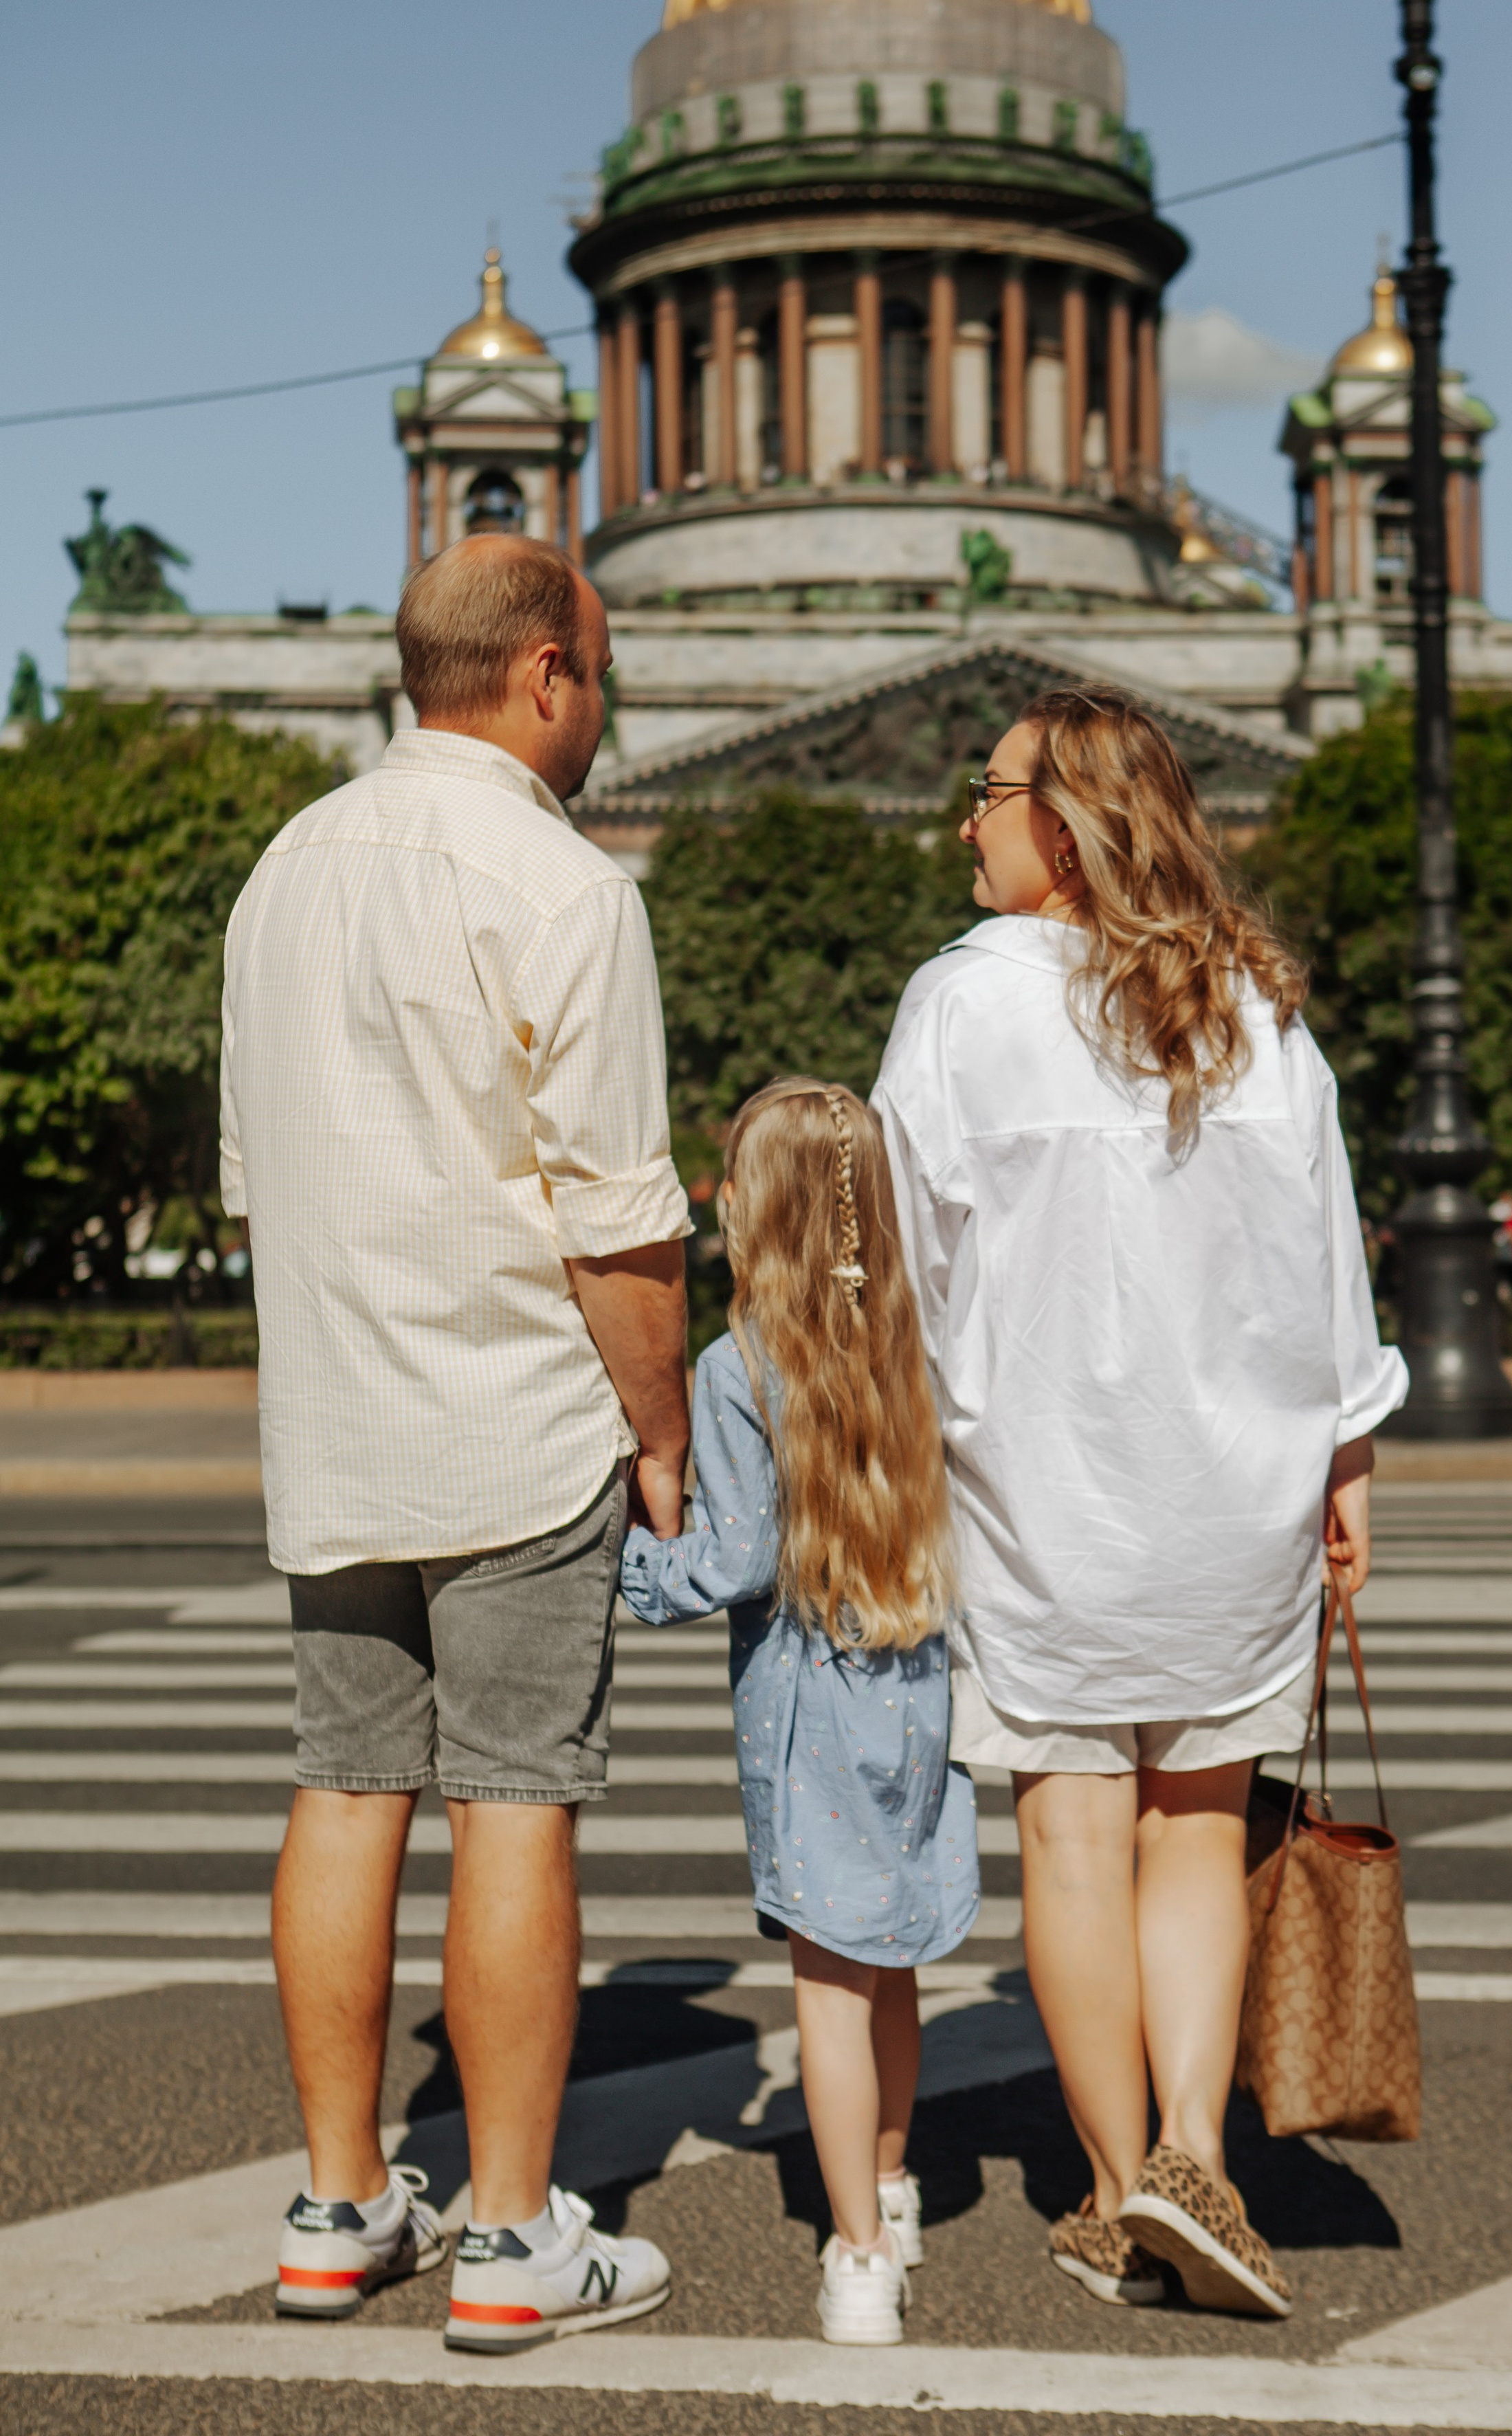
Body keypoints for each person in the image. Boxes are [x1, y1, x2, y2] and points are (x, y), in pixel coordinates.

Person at [871, 681, 1407, 2321]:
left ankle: (1116, 2197)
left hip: (1037, 1491)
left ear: (1066, 823)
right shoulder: (1252, 1006)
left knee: (1072, 1833)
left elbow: (897, 1263)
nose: (964, 823)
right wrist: (1345, 1461)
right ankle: (1193, 2150)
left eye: (989, 794)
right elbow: (1326, 1261)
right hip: (1234, 1492)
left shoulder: (961, 1004)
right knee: (1197, 1827)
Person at [220, 535, 691, 2351]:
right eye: (601, 668)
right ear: (546, 672)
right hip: (516, 1421)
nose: (604, 699)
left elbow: (259, 1183)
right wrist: (661, 1432)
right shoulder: (564, 885)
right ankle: (507, 2237)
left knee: (346, 1790)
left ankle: (340, 2207)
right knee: (513, 1803)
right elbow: (620, 1227)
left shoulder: (284, 871)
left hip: (336, 1421)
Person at [621, 1078, 979, 2348]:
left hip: (809, 1710)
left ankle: (861, 2256)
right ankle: (893, 2181)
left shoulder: (739, 1369)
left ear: (755, 1213)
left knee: (827, 1987)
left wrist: (631, 1562)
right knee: (892, 1963)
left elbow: (732, 1560)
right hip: (914, 1693)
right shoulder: (909, 1343)